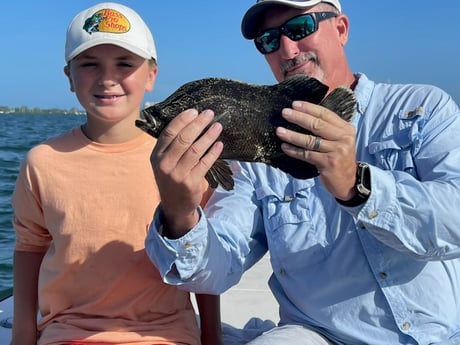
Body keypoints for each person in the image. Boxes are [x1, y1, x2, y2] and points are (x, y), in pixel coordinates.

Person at [144, 0, 460, 344]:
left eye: (299, 29)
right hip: (316, 334)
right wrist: (179, 213)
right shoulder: (253, 160)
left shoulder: (422, 109)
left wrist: (358, 185)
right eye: (268, 40)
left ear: (341, 29)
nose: (287, 49)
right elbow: (218, 266)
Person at [10, 2, 221, 345]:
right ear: (69, 77)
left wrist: (211, 336)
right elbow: (30, 247)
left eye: (125, 64)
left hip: (166, 334)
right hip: (69, 333)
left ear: (152, 74)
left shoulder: (182, 158)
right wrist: (23, 335)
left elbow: (204, 257)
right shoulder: (42, 162)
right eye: (89, 64)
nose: (107, 78)